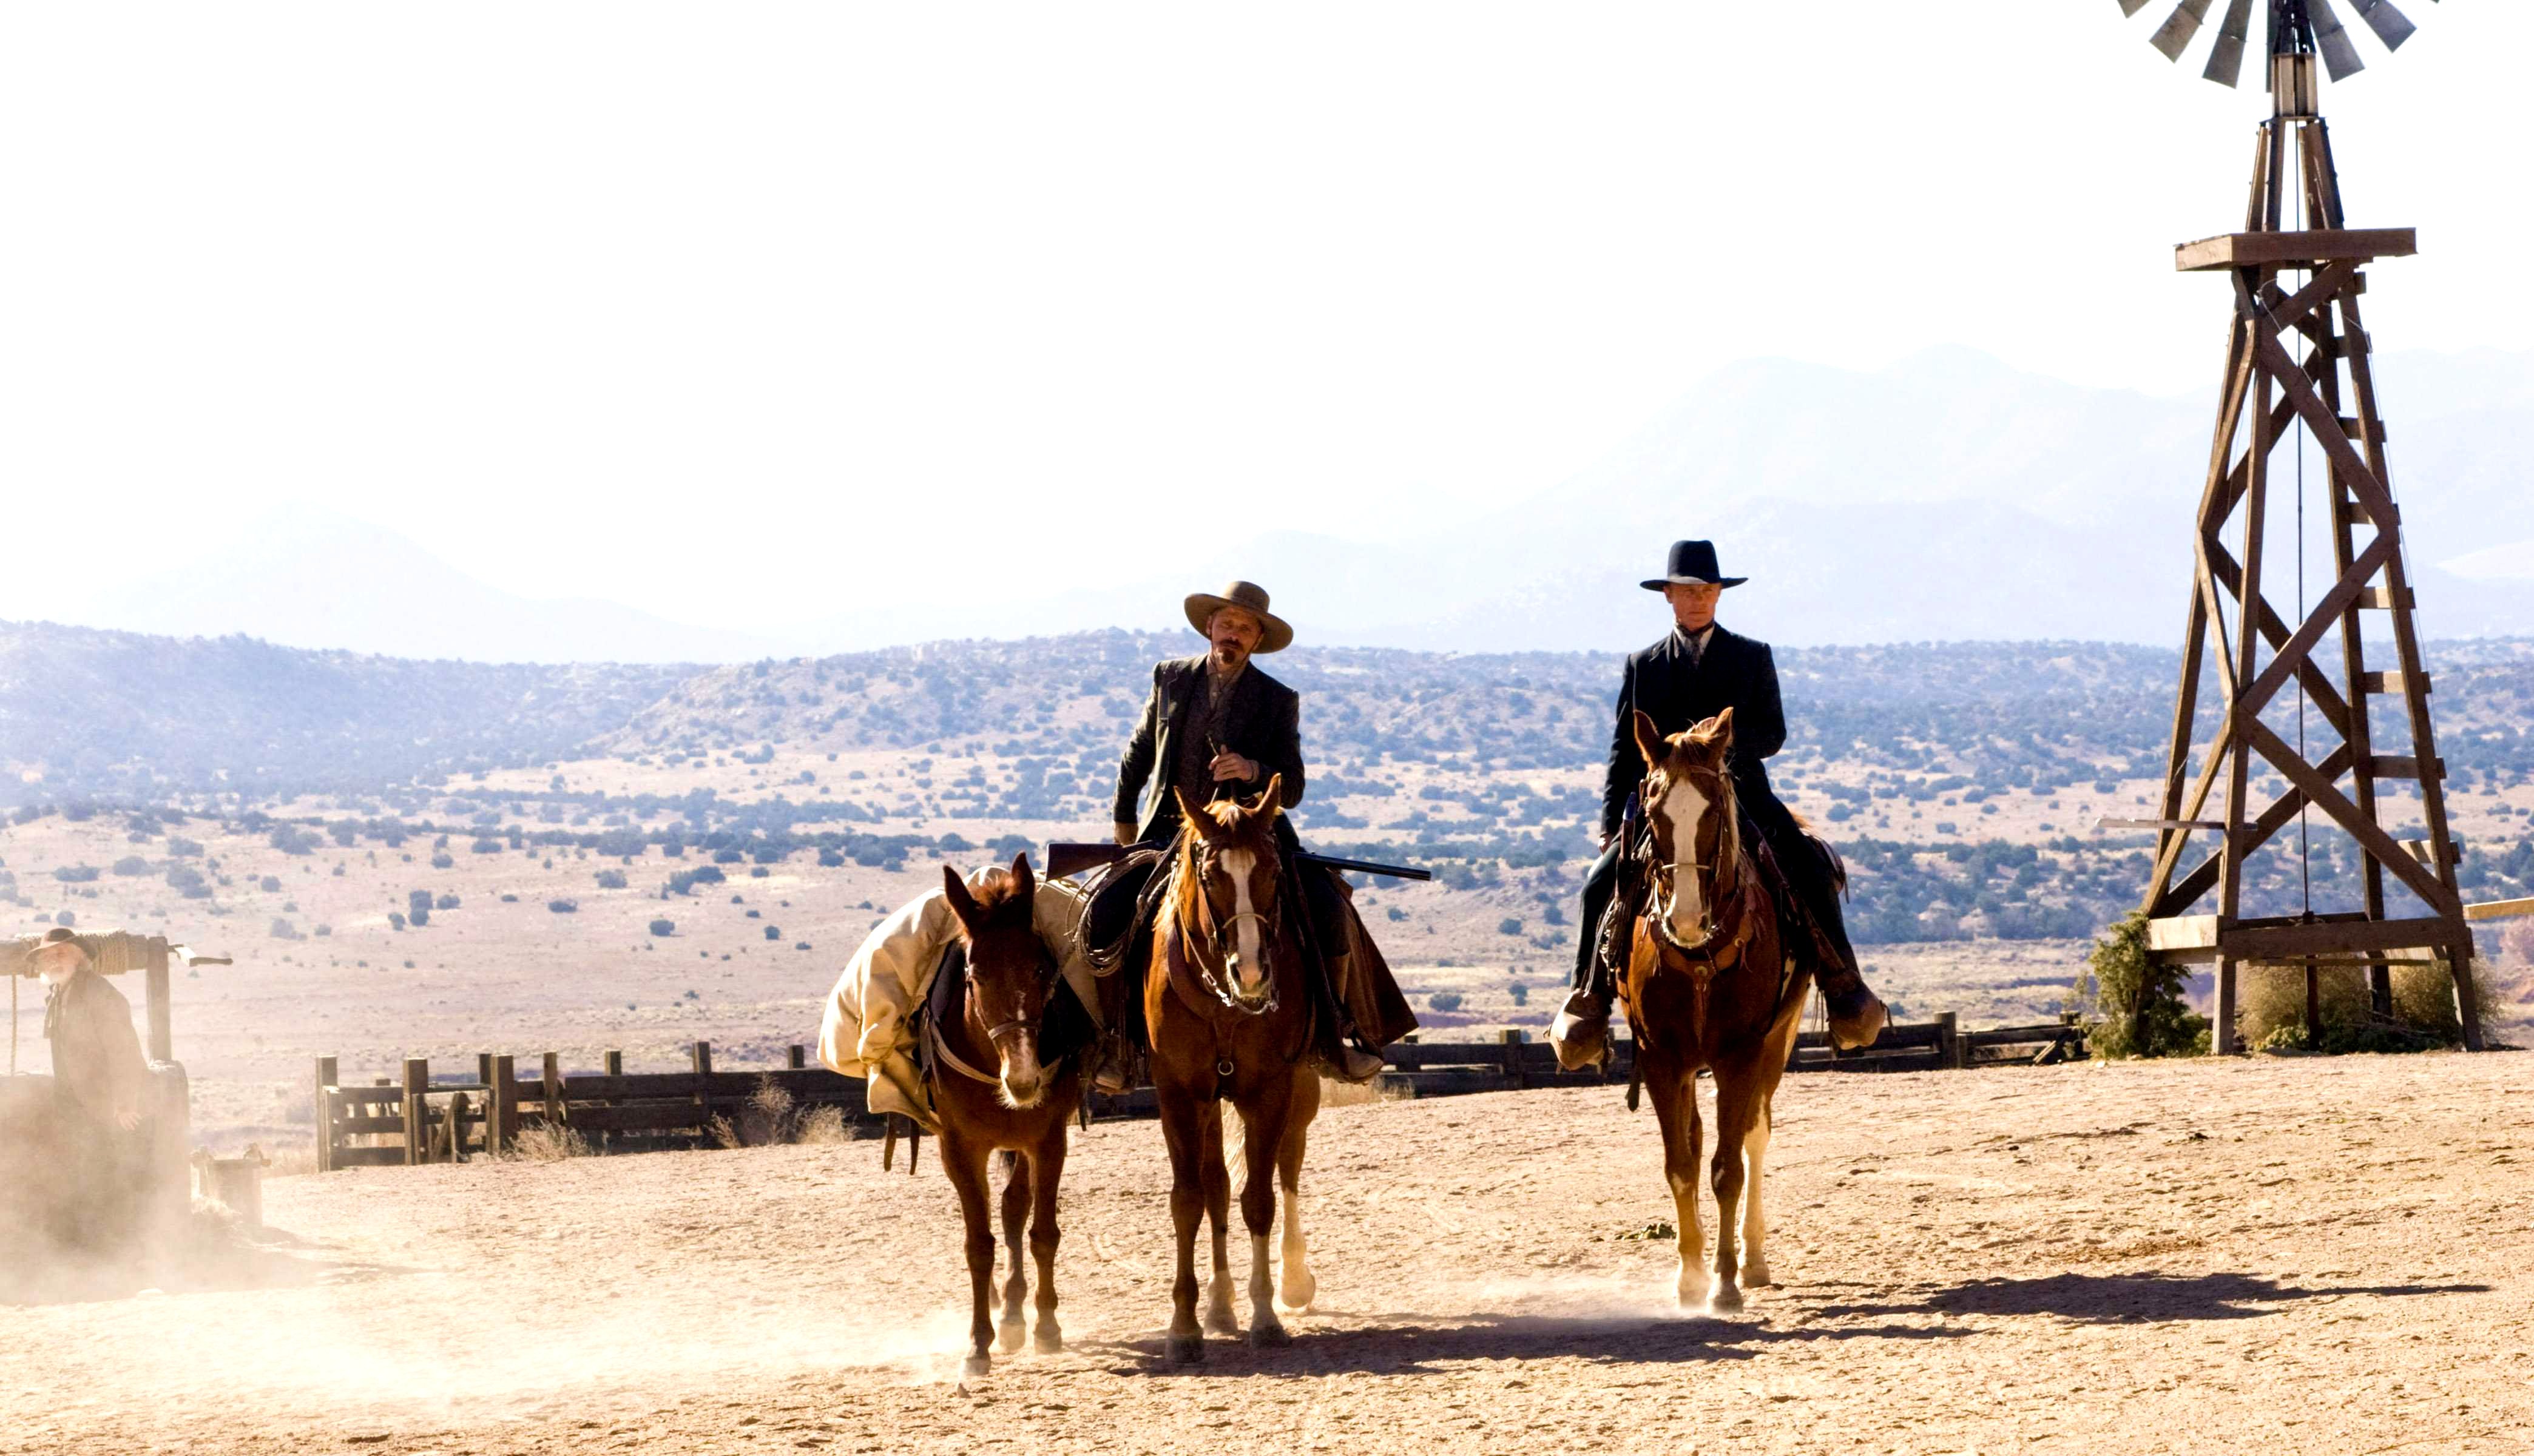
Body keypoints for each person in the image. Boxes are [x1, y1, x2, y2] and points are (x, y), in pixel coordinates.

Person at [1550, 541, 1887, 1068]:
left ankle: (1844, 987)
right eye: (1687, 591)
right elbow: (1623, 749)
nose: (1698, 600)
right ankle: (1588, 999)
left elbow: (1772, 733)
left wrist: (1714, 748)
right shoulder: (1644, 665)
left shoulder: (1751, 656)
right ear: (1668, 597)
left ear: (1718, 596)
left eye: (1706, 590)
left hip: (1744, 796)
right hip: (1662, 805)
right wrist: (1612, 825)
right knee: (1600, 882)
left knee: (1811, 866)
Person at [1089, 579, 1414, 1082]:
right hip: (1167, 836)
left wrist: (1253, 770)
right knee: (1105, 914)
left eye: (1244, 628)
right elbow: (1138, 751)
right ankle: (1114, 1046)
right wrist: (1123, 818)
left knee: (1328, 908)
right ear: (1209, 628)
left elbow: (1296, 786)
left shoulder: (1277, 699)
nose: (1232, 635)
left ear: (1257, 639)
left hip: (1251, 838)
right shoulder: (1171, 678)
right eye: (1226, 624)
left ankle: (1337, 1036)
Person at [32, 927, 154, 1249]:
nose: (53, 961)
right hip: (76, 1108)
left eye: (61, 953)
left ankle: (121, 1253)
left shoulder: (100, 994)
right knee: (82, 1174)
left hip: (107, 1109)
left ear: (81, 957)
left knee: (110, 1176)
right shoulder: (59, 996)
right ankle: (90, 1250)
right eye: (47, 956)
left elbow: (124, 1051)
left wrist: (125, 1103)